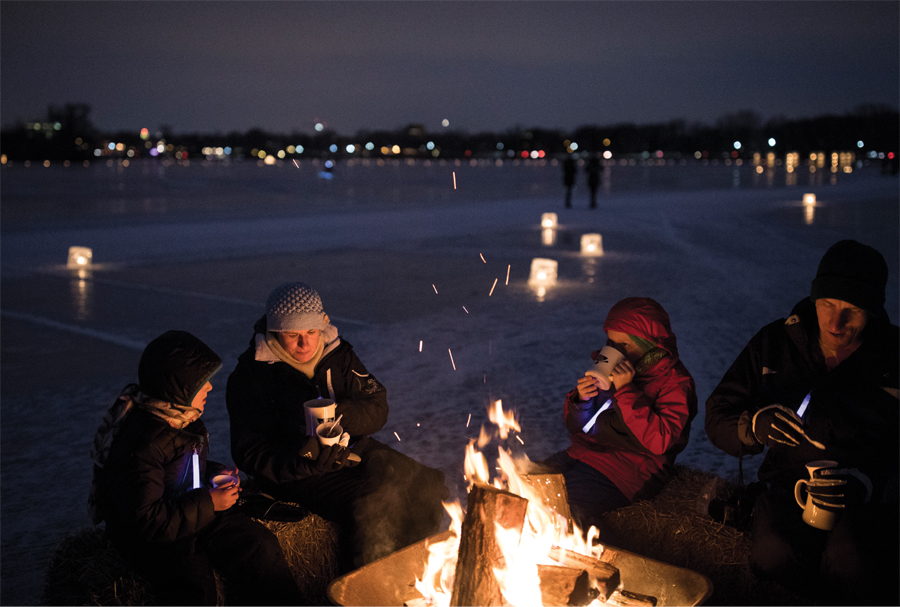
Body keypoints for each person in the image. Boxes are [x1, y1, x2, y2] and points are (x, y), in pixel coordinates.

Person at [705, 239, 899, 605]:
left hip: (866, 499)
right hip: (786, 489)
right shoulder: (776, 342)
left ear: (873, 311)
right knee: (773, 553)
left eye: (852, 310)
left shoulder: (893, 356)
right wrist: (752, 427)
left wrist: (871, 485)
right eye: (827, 304)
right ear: (814, 299)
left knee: (853, 560)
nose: (835, 322)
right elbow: (717, 415)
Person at [226, 282, 448, 570]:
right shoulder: (251, 375)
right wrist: (303, 459)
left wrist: (344, 415)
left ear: (322, 325)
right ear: (274, 331)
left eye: (311, 332)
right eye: (293, 335)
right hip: (297, 472)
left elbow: (377, 406)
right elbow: (248, 453)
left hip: (351, 449)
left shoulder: (338, 354)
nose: (305, 344)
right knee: (376, 504)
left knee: (427, 483)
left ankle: (417, 575)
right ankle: (363, 590)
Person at [88, 330, 303, 606]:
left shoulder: (182, 419)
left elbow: (178, 468)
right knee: (194, 587)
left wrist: (212, 473)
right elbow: (147, 520)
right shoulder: (142, 444)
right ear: (180, 388)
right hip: (152, 537)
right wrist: (211, 502)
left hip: (188, 507)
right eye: (203, 383)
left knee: (257, 545)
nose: (211, 388)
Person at [544, 297, 697, 535]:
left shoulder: (675, 382)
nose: (614, 351)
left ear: (647, 344)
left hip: (625, 471)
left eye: (623, 345)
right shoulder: (609, 367)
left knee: (558, 509)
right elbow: (577, 428)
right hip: (581, 453)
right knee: (523, 485)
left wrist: (626, 392)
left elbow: (660, 441)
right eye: (611, 342)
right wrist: (580, 400)